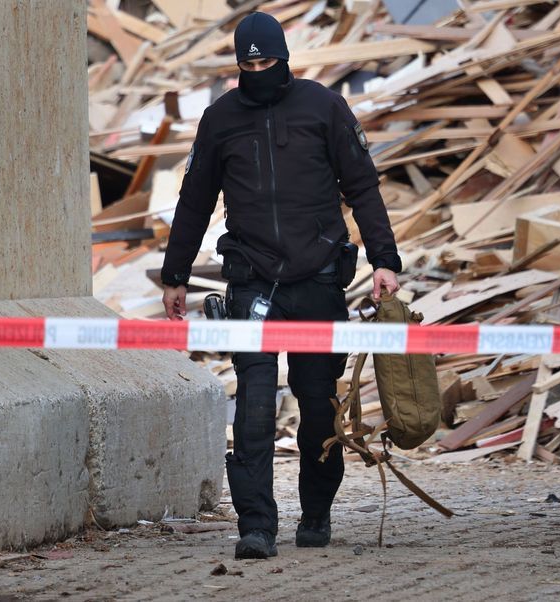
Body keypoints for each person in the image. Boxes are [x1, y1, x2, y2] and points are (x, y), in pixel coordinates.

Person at [160, 11, 402, 559]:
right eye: (247, 64)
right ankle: (257, 527)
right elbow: (195, 199)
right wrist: (175, 274)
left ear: (284, 59)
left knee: (318, 405)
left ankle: (315, 514)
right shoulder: (220, 119)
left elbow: (363, 187)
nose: (257, 71)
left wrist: (385, 260)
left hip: (318, 281)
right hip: (251, 280)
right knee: (253, 408)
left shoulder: (324, 107)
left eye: (266, 61)